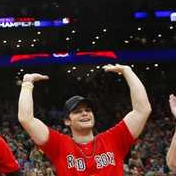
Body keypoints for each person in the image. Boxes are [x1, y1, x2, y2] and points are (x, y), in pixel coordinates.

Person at [17, 64, 151, 175]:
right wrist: (27, 83)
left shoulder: (113, 139)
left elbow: (142, 110)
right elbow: (26, 118)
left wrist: (127, 71)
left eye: (88, 110)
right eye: (77, 112)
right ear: (67, 121)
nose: (85, 114)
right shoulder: (59, 145)